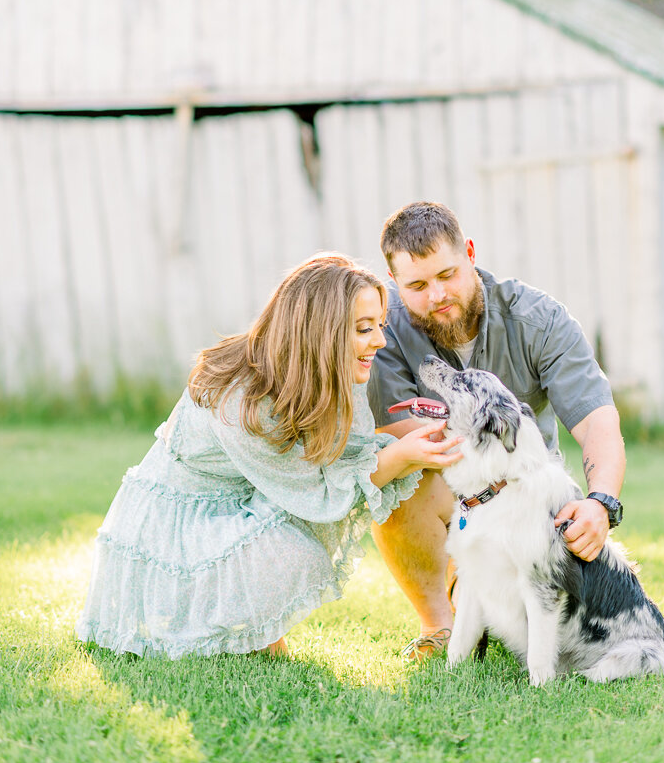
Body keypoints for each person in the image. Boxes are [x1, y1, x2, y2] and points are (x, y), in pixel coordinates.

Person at [77, 254, 462, 659]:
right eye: (364, 329)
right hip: (182, 535)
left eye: (379, 326)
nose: (380, 341)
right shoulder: (242, 398)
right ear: (321, 332)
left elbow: (349, 453)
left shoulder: (322, 368)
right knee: (296, 551)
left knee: (390, 476)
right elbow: (316, 491)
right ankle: (239, 634)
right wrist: (402, 454)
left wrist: (414, 435)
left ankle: (469, 600)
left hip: (237, 504)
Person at [367, 201, 626, 663]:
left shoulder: (539, 318)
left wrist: (601, 502)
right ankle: (441, 625)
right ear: (396, 285)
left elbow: (596, 420)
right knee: (396, 482)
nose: (436, 295)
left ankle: (498, 596)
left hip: (527, 492)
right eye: (418, 285)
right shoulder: (381, 329)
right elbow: (397, 431)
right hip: (445, 476)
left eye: (447, 274)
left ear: (469, 253)